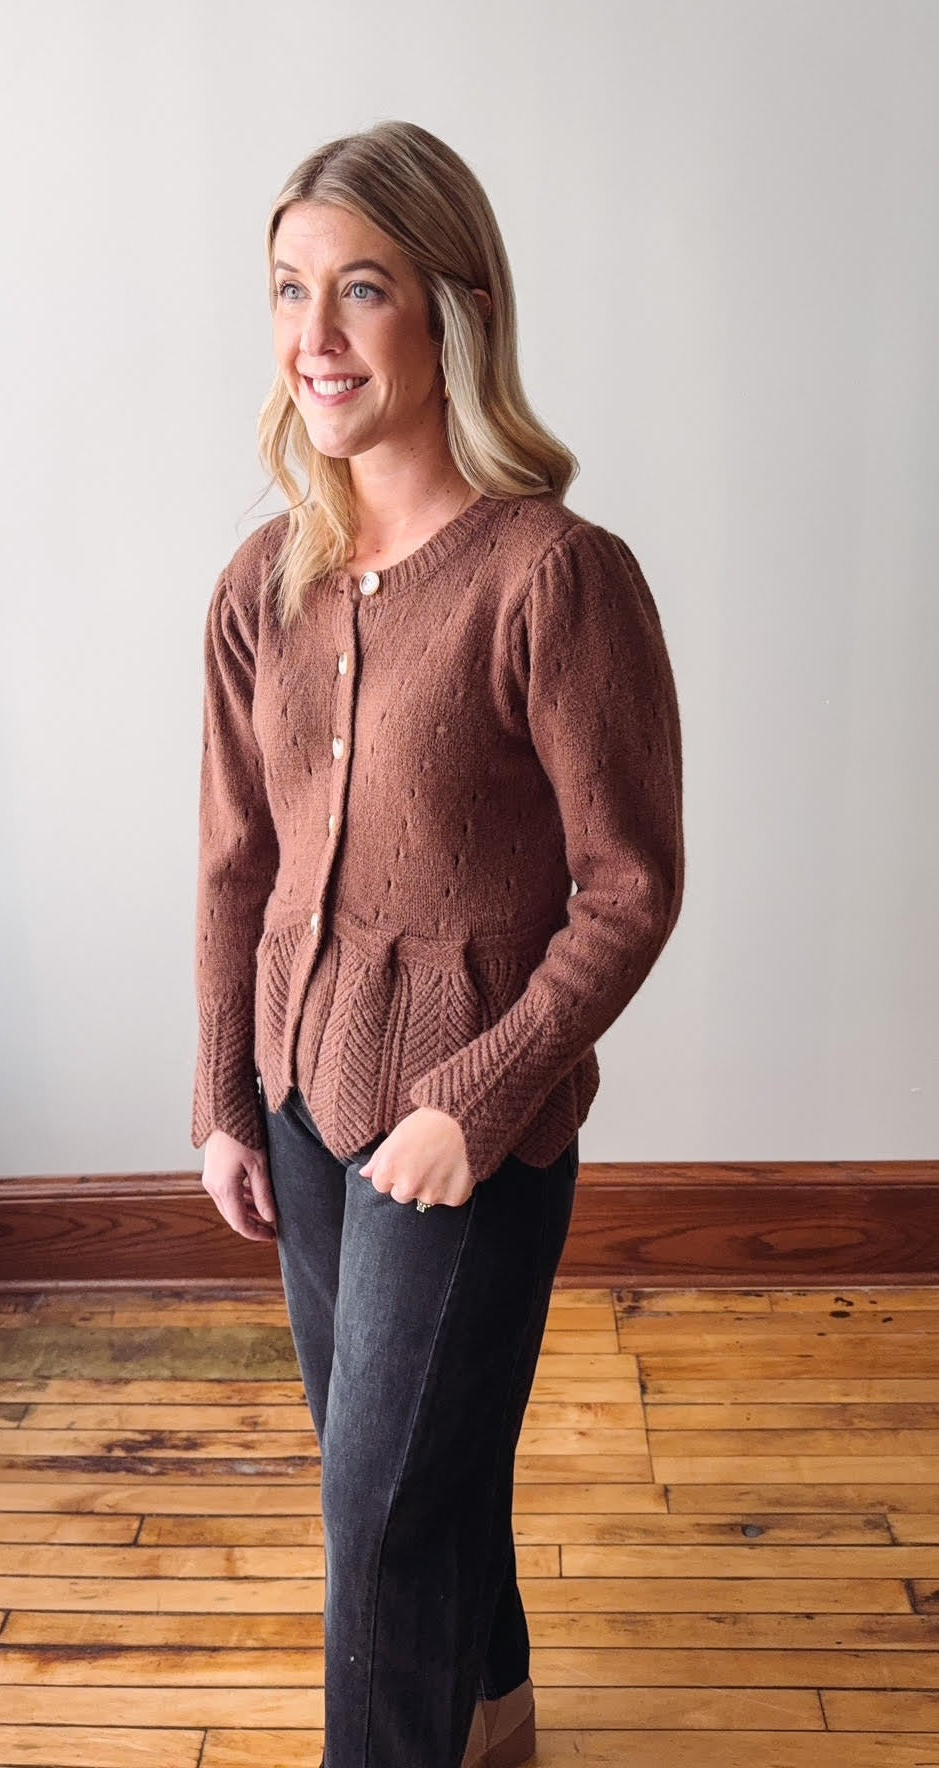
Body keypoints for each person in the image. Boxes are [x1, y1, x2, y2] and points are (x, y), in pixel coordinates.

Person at [192, 119, 684, 1768]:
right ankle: (493, 1717)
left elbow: (628, 887)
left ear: (453, 309)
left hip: (468, 1133)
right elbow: (234, 863)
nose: (313, 335)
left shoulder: (555, 577)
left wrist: (472, 1102)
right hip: (300, 1101)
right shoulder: (262, 583)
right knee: (411, 1467)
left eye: (361, 289)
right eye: (288, 289)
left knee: (382, 1515)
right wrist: (222, 1095)